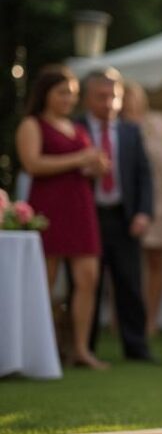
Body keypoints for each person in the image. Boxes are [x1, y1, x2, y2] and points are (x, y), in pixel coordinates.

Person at [15, 66, 110, 369]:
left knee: (88, 278)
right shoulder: (32, 125)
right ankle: (37, 347)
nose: (69, 99)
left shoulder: (78, 129)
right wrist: (79, 158)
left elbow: (85, 166)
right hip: (49, 207)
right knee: (45, 279)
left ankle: (80, 348)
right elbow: (33, 164)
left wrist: (96, 166)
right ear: (46, 93)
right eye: (63, 92)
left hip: (80, 207)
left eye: (72, 94)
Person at [81, 68, 156, 363]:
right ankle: (84, 345)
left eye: (114, 96)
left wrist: (143, 212)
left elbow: (144, 176)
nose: (108, 103)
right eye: (101, 96)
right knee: (88, 283)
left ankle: (136, 347)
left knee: (130, 283)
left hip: (124, 218)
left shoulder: (130, 131)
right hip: (88, 216)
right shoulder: (77, 130)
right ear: (88, 98)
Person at [121, 82, 162, 337]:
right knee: (126, 264)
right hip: (129, 201)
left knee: (157, 260)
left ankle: (151, 319)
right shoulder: (118, 128)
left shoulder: (161, 122)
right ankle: (124, 318)